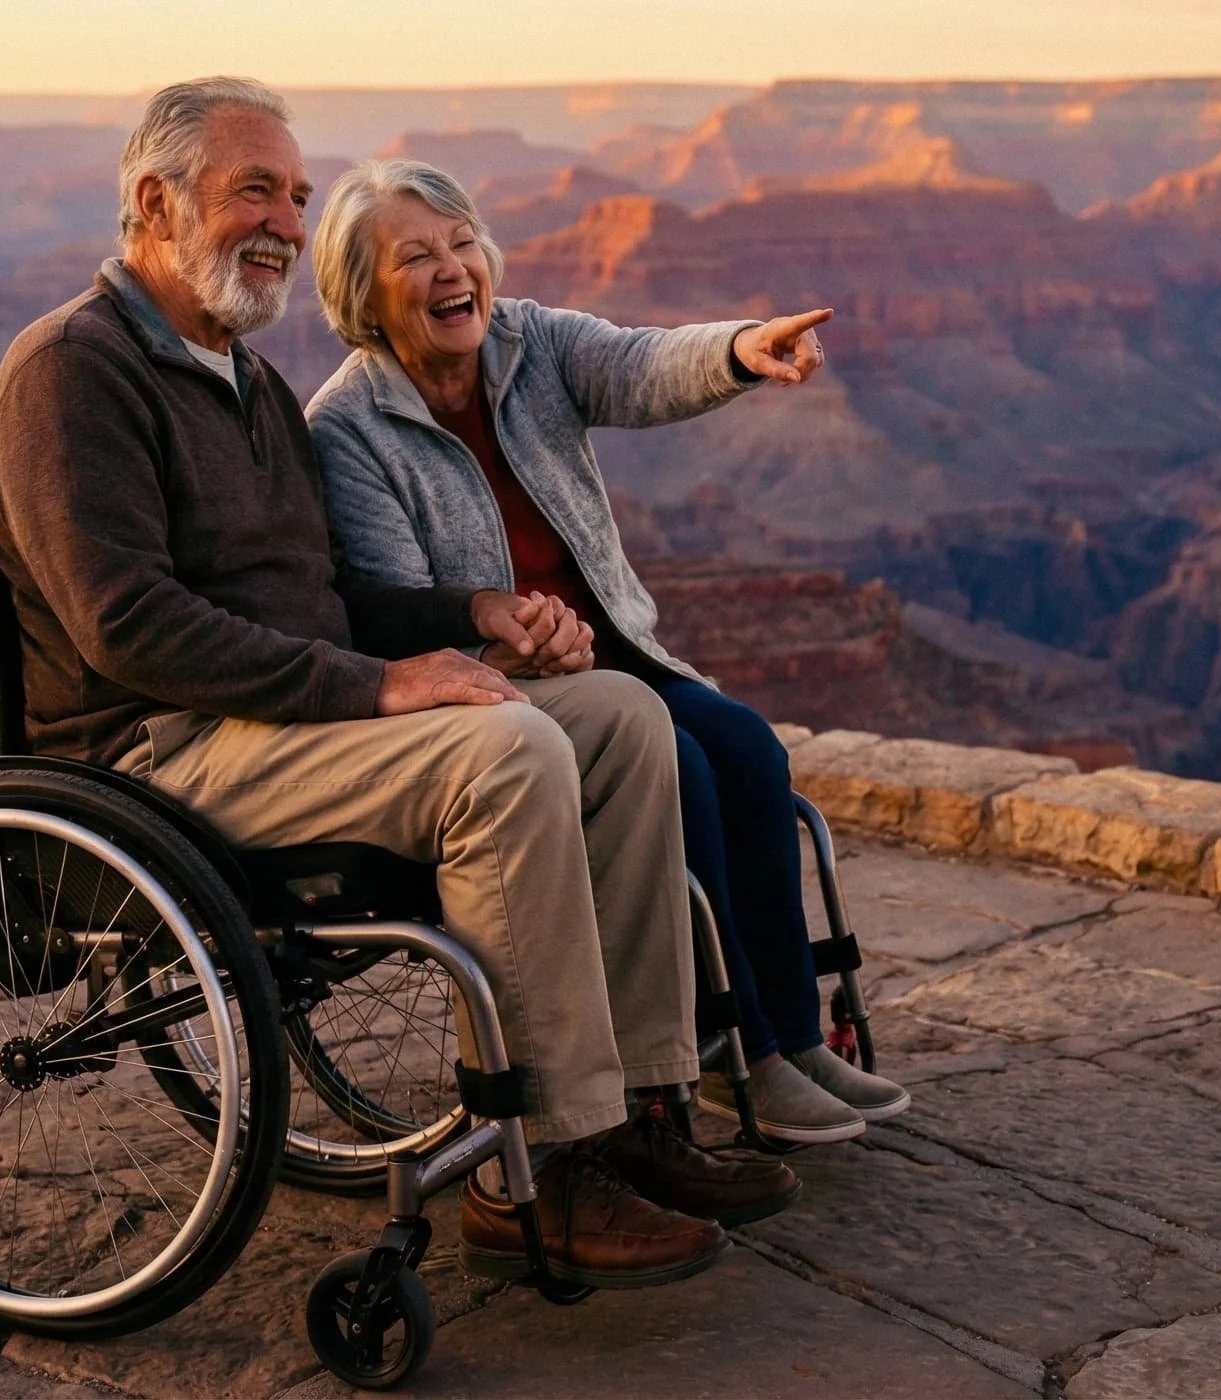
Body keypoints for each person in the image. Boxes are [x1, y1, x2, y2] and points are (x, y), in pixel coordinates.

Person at [0, 78, 800, 1290]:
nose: (282, 221)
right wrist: (376, 689)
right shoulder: (71, 371)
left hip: (279, 720)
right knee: (506, 750)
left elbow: (336, 596)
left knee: (622, 721)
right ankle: (539, 1173)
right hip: (162, 752)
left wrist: (471, 618)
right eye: (254, 188)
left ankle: (635, 1109)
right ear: (153, 201)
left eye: (295, 196)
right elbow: (126, 627)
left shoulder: (242, 381)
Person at [305, 159, 912, 1145]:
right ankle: (736, 1051)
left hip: (611, 653)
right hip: (492, 687)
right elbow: (389, 605)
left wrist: (741, 350)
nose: (450, 267)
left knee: (748, 752)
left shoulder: (527, 342)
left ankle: (796, 1036)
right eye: (412, 256)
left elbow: (635, 365)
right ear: (360, 294)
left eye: (461, 242)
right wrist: (500, 623)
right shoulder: (348, 429)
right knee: (681, 773)